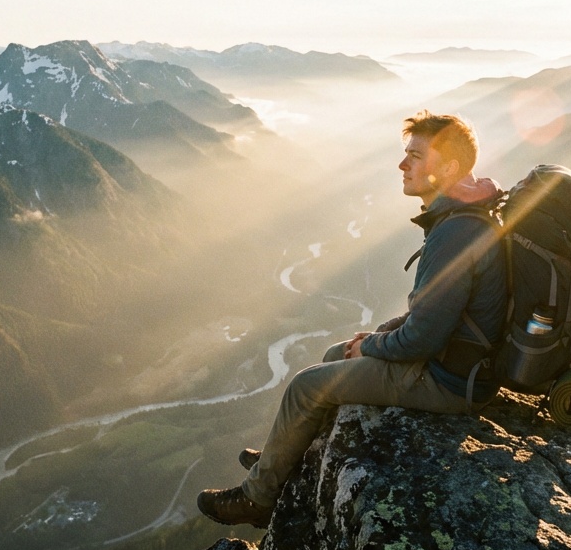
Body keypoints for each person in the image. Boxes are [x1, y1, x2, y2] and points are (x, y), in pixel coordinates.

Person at [197, 111, 507, 528]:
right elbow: (440, 310)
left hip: (450, 379)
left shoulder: (455, 231)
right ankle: (286, 455)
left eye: (415, 156)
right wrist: (381, 334)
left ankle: (258, 499)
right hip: (457, 363)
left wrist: (373, 345)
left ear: (448, 168)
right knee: (333, 354)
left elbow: (423, 340)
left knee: (306, 386)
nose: (403, 165)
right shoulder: (463, 219)